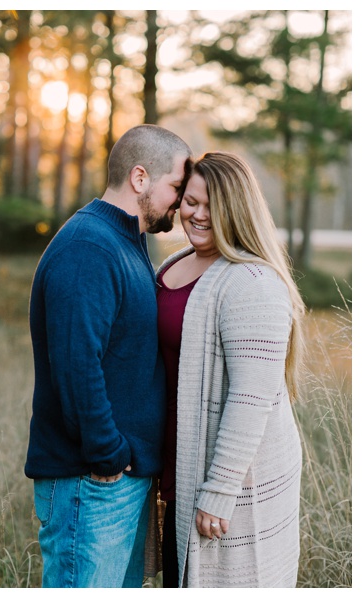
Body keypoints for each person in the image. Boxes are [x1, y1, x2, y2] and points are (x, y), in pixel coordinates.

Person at [24, 124, 193, 588]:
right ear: (140, 178)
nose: (179, 202)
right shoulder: (88, 247)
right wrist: (108, 456)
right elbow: (78, 364)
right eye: (175, 187)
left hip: (118, 481)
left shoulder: (125, 242)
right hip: (94, 482)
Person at [156, 151, 304, 587]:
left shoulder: (252, 283)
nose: (196, 214)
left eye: (210, 205)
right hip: (178, 464)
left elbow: (250, 400)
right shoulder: (174, 264)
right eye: (190, 201)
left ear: (235, 209)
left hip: (231, 479)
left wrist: (219, 491)